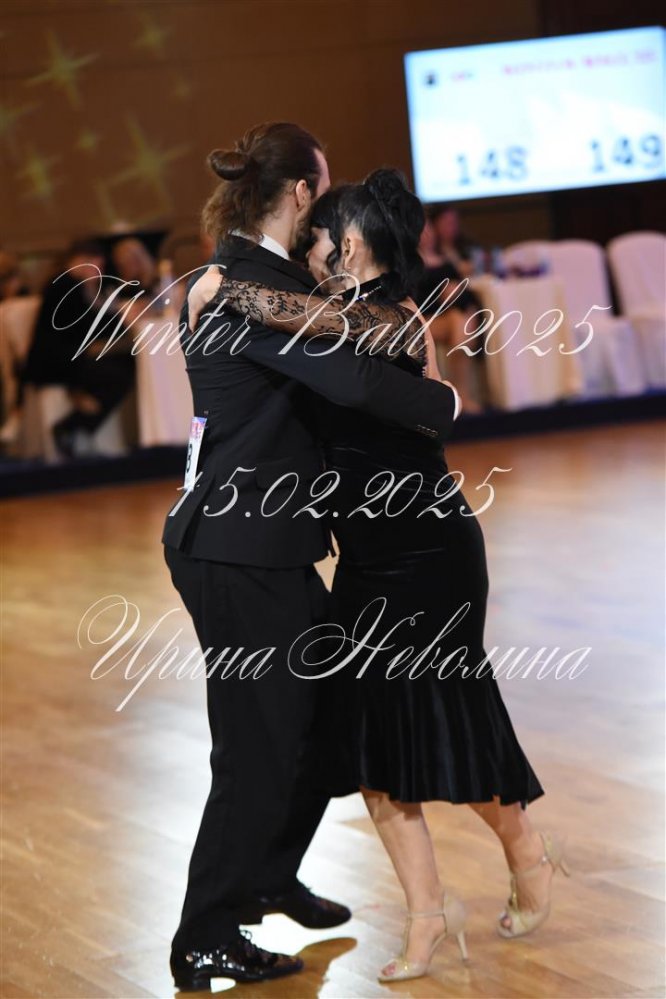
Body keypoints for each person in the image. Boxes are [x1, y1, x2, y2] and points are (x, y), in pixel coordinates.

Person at [189, 169, 569, 985]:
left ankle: (527, 851)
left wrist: (226, 287)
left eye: (320, 238)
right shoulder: (332, 314)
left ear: (352, 243)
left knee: (447, 726)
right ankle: (427, 917)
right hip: (363, 559)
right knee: (370, 747)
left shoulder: (394, 319)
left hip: (430, 555)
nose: (309, 251)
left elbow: (321, 339)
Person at [161, 123, 461, 991]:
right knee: (253, 748)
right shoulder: (236, 288)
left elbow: (355, 332)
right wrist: (440, 403)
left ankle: (265, 873)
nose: (326, 217)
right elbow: (352, 378)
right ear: (298, 193)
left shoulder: (265, 281)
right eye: (321, 194)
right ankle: (204, 933)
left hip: (272, 546)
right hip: (235, 549)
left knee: (331, 718)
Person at [22, 239, 135, 458]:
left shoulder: (68, 284)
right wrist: (119, 314)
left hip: (64, 358)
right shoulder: (66, 285)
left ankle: (77, 424)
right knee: (121, 374)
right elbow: (89, 327)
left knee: (121, 366)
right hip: (57, 363)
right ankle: (72, 426)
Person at [417, 205, 484, 413]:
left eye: (429, 229)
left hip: (449, 320)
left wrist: (452, 294)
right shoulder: (411, 266)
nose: (427, 235)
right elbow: (416, 300)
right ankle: (461, 395)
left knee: (460, 319)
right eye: (421, 230)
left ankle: (460, 395)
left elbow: (465, 295)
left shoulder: (446, 263)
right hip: (423, 321)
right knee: (460, 322)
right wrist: (442, 295)